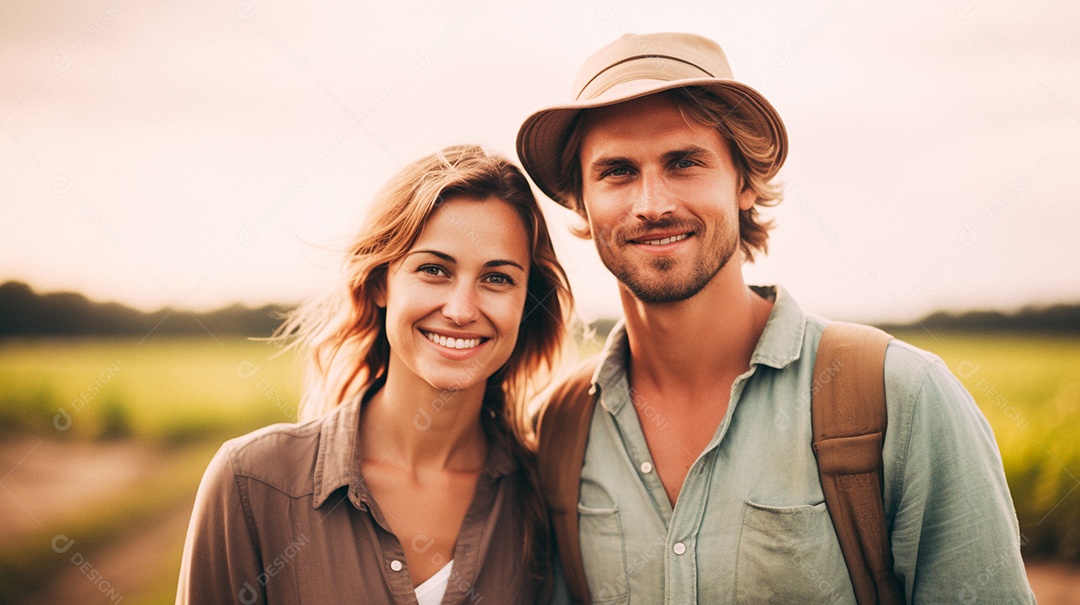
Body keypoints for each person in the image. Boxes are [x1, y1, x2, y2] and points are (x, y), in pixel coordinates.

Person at [517, 32, 1035, 603]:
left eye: (684, 161)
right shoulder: (557, 430)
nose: (652, 203)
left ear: (743, 180)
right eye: (616, 171)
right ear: (580, 203)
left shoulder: (900, 399)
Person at [176, 145, 573, 605]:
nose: (462, 311)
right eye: (433, 270)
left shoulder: (546, 497)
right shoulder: (251, 484)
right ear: (381, 282)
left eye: (497, 278)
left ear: (527, 303)